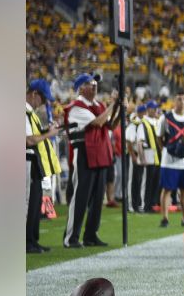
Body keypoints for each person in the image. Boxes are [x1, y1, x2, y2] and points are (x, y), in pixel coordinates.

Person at [63, 73, 123, 248]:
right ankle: (71, 237)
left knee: (98, 198)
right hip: (83, 153)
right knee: (80, 196)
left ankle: (91, 234)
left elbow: (110, 124)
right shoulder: (77, 107)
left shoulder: (98, 105)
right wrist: (113, 104)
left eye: (96, 83)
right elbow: (97, 123)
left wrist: (119, 108)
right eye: (90, 83)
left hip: (101, 152)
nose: (95, 86)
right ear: (81, 88)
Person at [25, 79, 62, 253]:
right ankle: (27, 242)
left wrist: (48, 129)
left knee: (35, 202)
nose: (44, 103)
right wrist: (49, 134)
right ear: (34, 94)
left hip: (34, 162)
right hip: (27, 161)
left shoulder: (31, 113)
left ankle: (33, 240)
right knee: (29, 203)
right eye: (43, 99)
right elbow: (28, 140)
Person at [158, 92, 184, 228]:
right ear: (174, 101)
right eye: (178, 99)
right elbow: (159, 136)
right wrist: (166, 149)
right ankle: (164, 218)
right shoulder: (165, 117)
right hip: (169, 160)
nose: (181, 101)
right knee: (167, 189)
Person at [126, 101, 162, 213]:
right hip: (138, 154)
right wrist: (134, 156)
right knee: (136, 180)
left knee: (143, 180)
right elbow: (130, 142)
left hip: (149, 154)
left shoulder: (153, 122)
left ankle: (144, 204)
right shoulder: (136, 123)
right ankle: (133, 205)